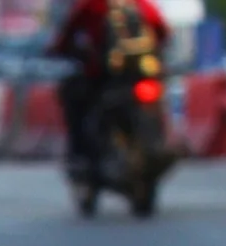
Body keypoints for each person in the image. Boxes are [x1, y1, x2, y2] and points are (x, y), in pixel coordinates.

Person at [51, 0, 169, 162]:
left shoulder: (90, 5)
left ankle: (80, 155)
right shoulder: (141, 4)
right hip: (141, 74)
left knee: (72, 95)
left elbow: (67, 36)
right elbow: (163, 33)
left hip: (103, 76)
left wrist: (60, 50)